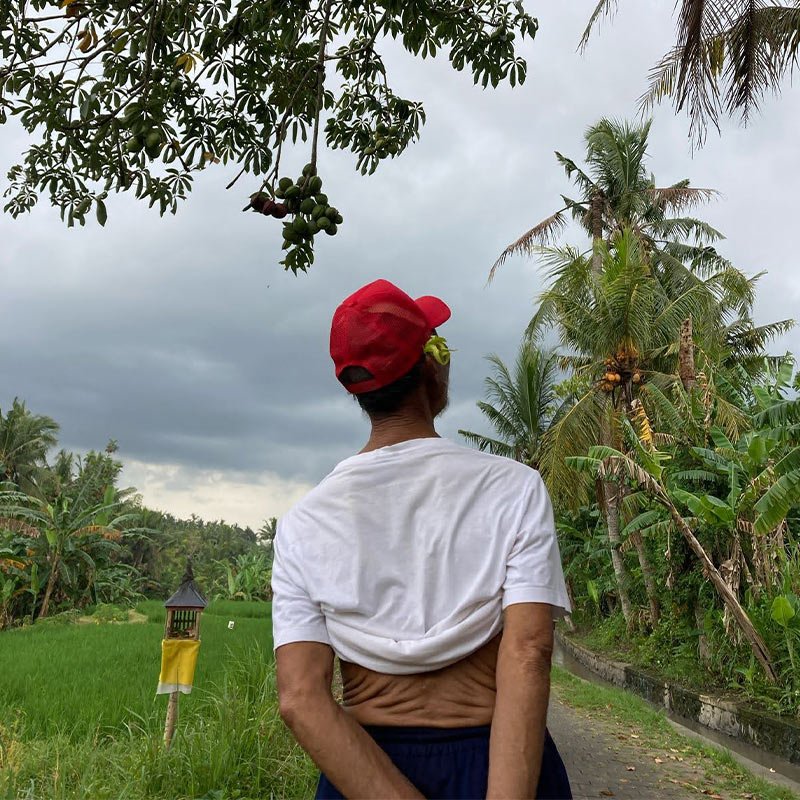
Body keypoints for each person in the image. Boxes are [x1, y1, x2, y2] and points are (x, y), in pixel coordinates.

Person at [272, 279, 573, 799]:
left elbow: (300, 697)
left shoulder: (304, 522)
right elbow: (528, 650)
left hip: (363, 769)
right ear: (433, 368)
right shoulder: (513, 488)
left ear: (357, 390)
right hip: (496, 764)